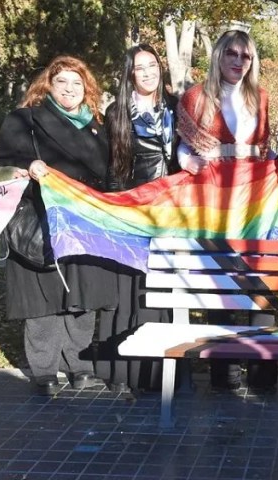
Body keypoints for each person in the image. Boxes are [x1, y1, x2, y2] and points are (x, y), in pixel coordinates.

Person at [0, 56, 116, 396]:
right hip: (39, 220)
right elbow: (1, 165)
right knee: (43, 297)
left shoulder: (98, 125)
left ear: (87, 89)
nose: (70, 89)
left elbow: (108, 173)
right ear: (48, 85)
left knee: (83, 294)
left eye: (77, 83)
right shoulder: (24, 120)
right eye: (62, 82)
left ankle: (79, 364)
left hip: (86, 222)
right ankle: (45, 369)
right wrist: (26, 166)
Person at [176, 30, 277, 393]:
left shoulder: (260, 97)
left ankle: (262, 371)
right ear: (218, 55)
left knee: (257, 285)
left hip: (254, 202)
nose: (238, 61)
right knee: (221, 288)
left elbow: (264, 150)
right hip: (213, 202)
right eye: (231, 53)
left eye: (245, 56)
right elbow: (185, 149)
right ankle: (225, 372)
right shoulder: (195, 97)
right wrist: (189, 160)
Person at [94, 45, 179, 395]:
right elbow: (115, 169)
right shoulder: (118, 112)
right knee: (134, 290)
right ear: (130, 73)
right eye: (140, 67)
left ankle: (162, 373)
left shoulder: (175, 107)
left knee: (165, 290)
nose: (148, 72)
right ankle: (127, 372)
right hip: (135, 211)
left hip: (173, 213)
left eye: (152, 65)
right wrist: (119, 211)